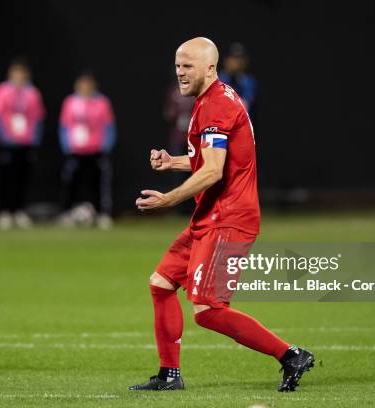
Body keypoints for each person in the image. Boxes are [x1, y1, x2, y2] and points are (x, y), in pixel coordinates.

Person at [129, 38, 314, 392]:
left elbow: (213, 171)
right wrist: (174, 163)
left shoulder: (215, 106)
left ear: (210, 68)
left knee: (208, 309)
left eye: (188, 66)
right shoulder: (213, 99)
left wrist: (168, 199)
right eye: (178, 66)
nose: (180, 73)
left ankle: (290, 354)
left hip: (229, 218)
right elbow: (215, 162)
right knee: (161, 284)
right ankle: (169, 375)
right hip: (211, 215)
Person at [0, 58, 45, 229]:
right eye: (16, 73)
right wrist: (3, 136)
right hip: (7, 143)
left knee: (23, 178)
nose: (19, 76)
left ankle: (19, 210)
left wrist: (34, 138)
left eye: (22, 73)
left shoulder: (33, 93)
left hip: (25, 143)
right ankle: (5, 211)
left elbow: (38, 118)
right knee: (6, 177)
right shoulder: (2, 91)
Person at [58, 72, 115, 229]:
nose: (85, 88)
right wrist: (67, 146)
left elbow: (108, 126)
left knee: (99, 184)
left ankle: (102, 214)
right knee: (71, 183)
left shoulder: (102, 102)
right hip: (75, 151)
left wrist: (105, 146)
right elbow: (64, 126)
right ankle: (67, 213)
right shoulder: (70, 102)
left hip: (96, 151)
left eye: (88, 85)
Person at [218, 42, 257, 114]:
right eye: (233, 58)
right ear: (226, 60)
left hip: (242, 122)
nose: (237, 62)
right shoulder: (216, 80)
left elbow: (245, 106)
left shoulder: (248, 81)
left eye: (239, 58)